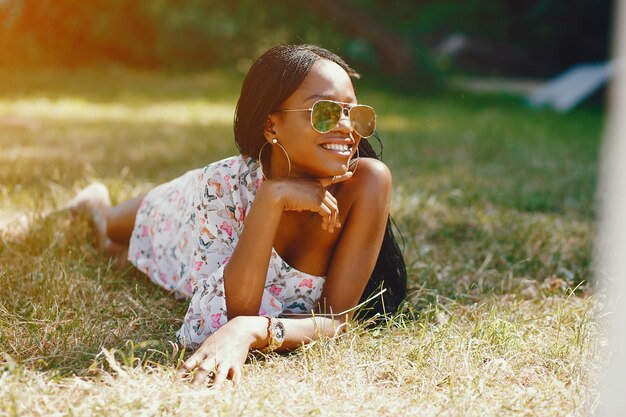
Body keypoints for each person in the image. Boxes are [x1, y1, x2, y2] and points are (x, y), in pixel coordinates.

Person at [71, 44, 407, 386]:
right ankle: (94, 204)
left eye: (353, 113)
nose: (346, 128)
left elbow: (335, 320)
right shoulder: (222, 185)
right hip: (182, 211)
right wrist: (271, 198)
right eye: (325, 112)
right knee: (109, 228)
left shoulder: (367, 182)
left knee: (125, 256)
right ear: (271, 126)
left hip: (198, 265)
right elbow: (227, 313)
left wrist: (252, 330)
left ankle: (115, 238)